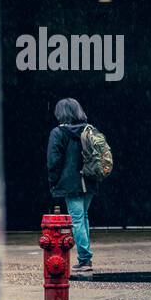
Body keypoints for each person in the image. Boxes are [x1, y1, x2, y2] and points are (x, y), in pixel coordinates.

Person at [47, 98, 97, 273]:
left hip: (71, 182)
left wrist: (53, 181)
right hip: (90, 180)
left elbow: (54, 161)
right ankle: (86, 256)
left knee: (76, 220)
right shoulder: (89, 129)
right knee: (83, 218)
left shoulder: (58, 133)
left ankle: (85, 259)